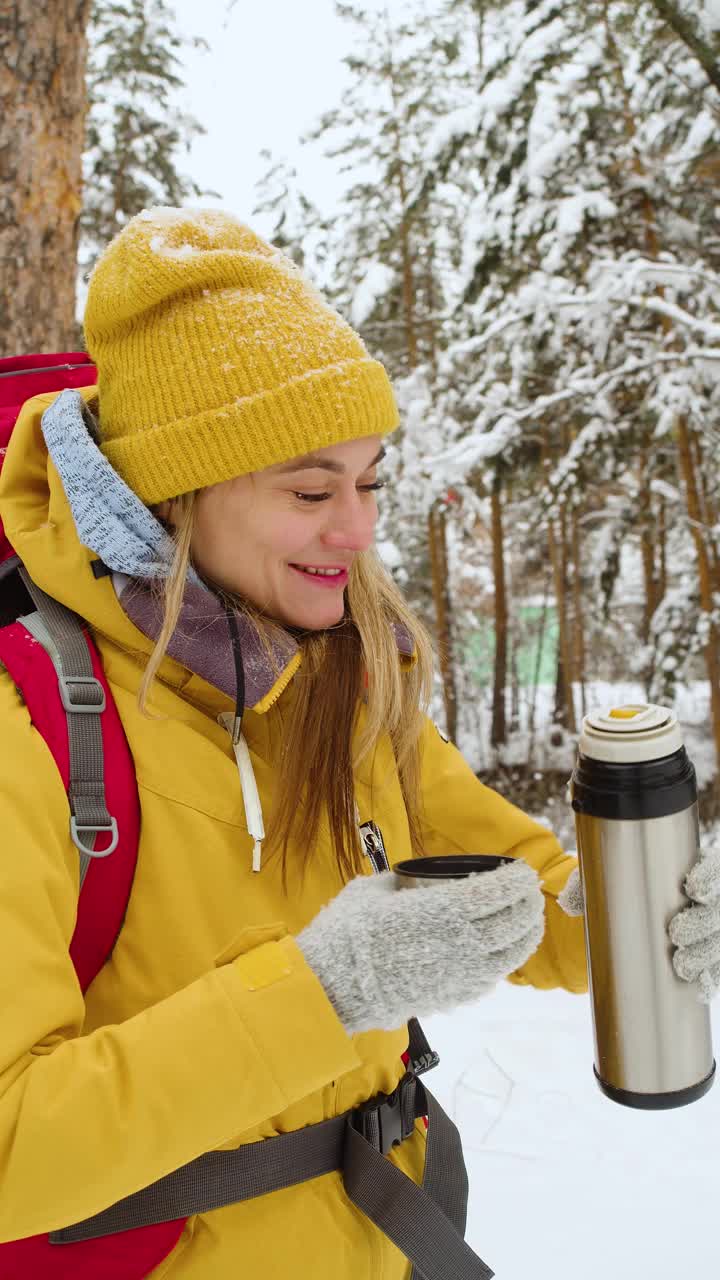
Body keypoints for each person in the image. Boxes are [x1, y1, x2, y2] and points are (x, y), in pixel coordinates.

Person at [0, 208, 714, 1280]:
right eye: (311, 488)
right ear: (176, 487)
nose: (360, 527)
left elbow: (530, 894)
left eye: (371, 480)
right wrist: (321, 990)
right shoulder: (33, 723)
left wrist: (638, 906)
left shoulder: (344, 677)